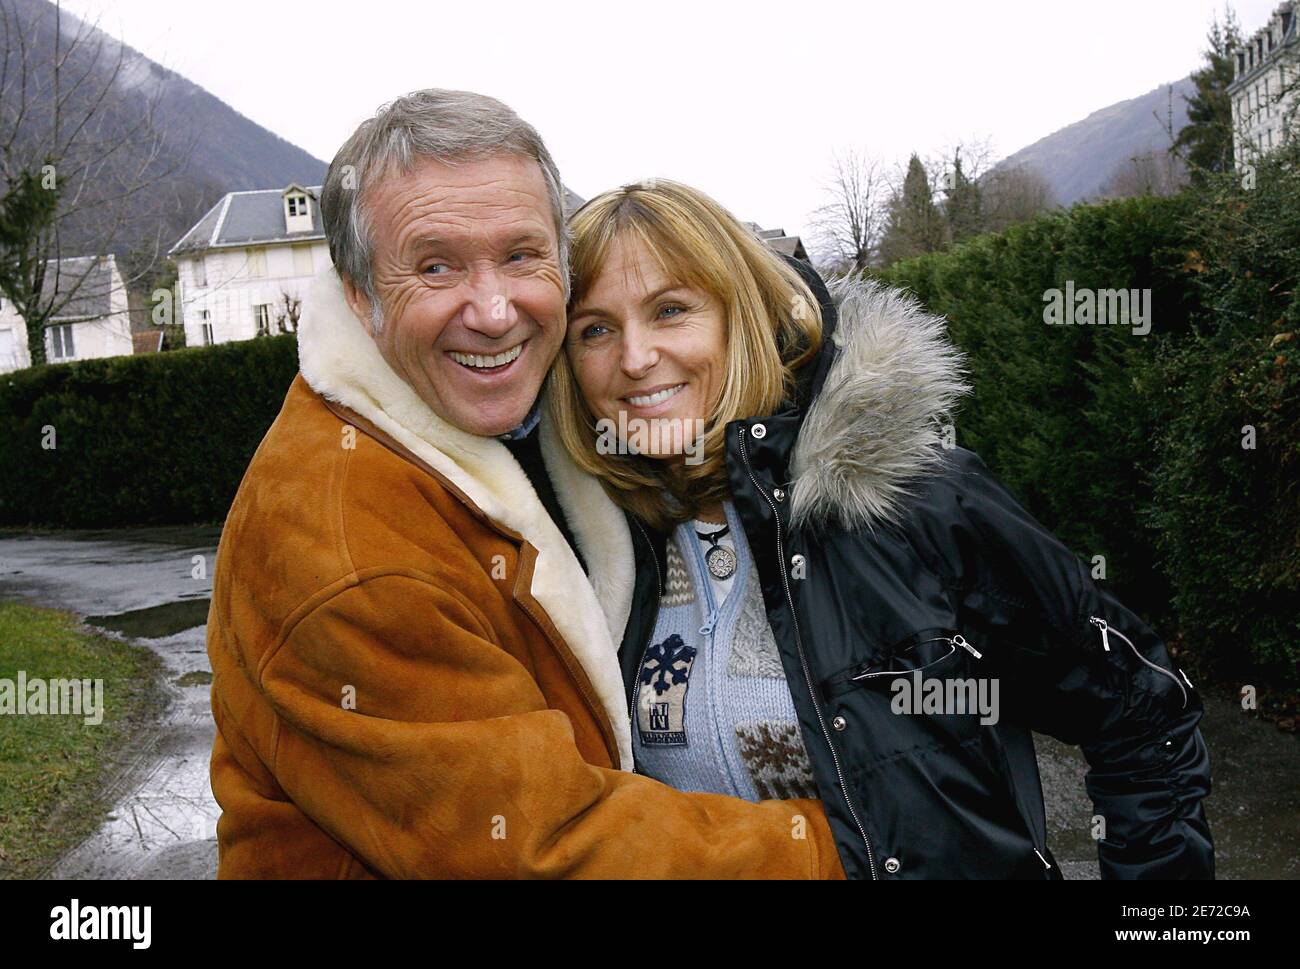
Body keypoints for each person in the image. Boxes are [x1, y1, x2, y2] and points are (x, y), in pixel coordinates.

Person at [206, 91, 845, 878]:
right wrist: (839, 847)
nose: (495, 309)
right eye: (435, 265)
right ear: (360, 295)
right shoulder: (344, 541)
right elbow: (539, 848)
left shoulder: (543, 429)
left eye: (520, 255)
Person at [548, 178, 1216, 879]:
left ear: (736, 318)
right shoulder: (597, 550)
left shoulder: (913, 501)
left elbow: (1142, 711)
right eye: (595, 328)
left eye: (671, 310)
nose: (634, 357)